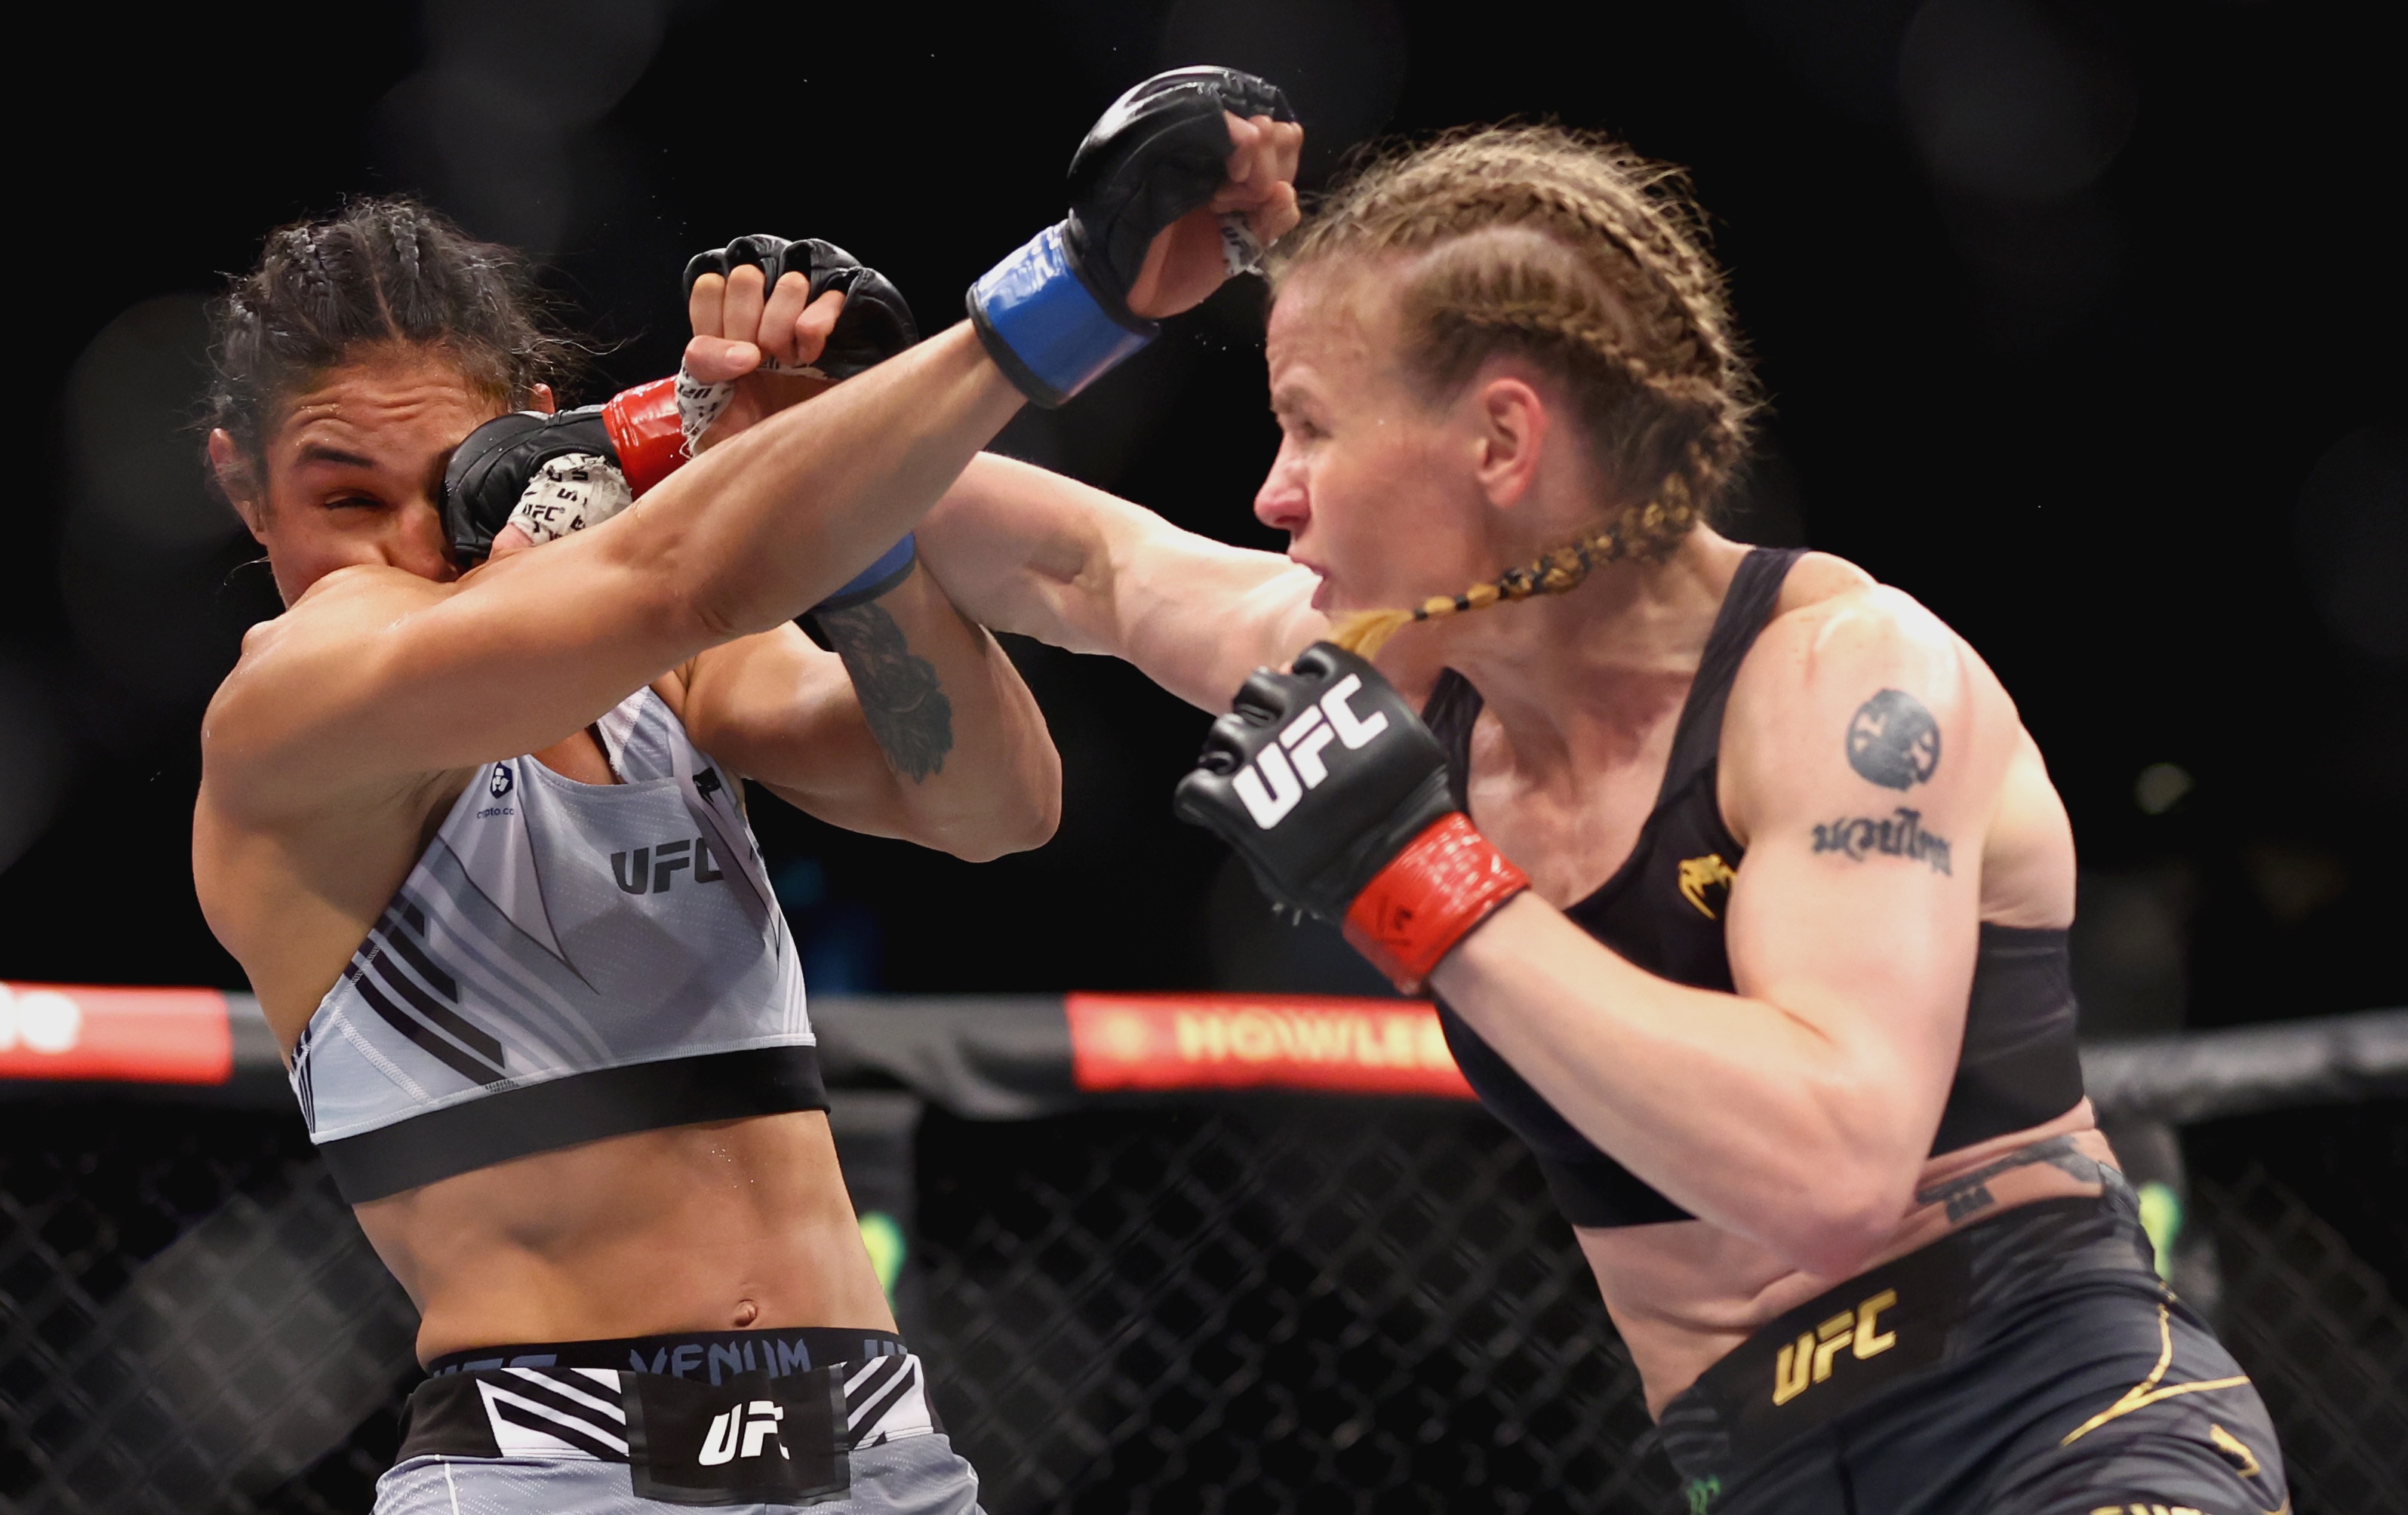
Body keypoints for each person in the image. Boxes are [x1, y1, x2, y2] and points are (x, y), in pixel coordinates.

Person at [912, 127, 2291, 1513]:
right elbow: (1080, 567)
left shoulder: (1849, 681)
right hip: (1761, 1481)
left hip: (2065, 1434)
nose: (1274, 490)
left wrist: (1418, 877)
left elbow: (1834, 1172)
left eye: (1313, 426)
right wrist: (888, 371)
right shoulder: (1400, 672)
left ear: (1502, 441)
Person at [190, 69, 1302, 1513]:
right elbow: (678, 574)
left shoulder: (668, 675)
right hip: (560, 1468)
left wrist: (856, 543)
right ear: (243, 490)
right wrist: (1076, 290)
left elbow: (988, 803)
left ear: (533, 436)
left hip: (879, 1449)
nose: (410, 544)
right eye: (346, 500)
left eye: (455, 482)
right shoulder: (287, 713)